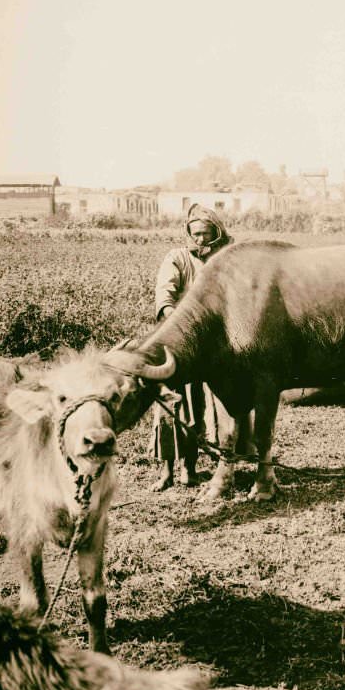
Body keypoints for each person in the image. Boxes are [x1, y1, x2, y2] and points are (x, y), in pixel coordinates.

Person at [151, 204, 232, 489]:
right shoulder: (178, 258)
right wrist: (177, 323)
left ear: (216, 233)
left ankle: (190, 468)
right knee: (170, 405)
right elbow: (165, 295)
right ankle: (166, 471)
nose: (200, 239)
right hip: (177, 341)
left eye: (206, 233)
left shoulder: (222, 261)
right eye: (195, 233)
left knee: (198, 405)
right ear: (188, 233)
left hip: (209, 346)